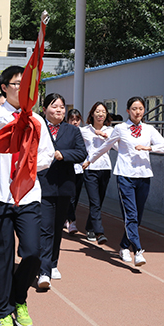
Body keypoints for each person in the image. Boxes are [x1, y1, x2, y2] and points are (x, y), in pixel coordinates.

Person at [0, 66, 54, 326]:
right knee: (3, 254)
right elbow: (1, 132)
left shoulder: (37, 119)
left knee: (33, 252)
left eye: (28, 85)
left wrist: (31, 164)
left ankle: (18, 298)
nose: (23, 89)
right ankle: (1, 312)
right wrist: (23, 122)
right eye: (17, 84)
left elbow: (47, 153)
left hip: (28, 193)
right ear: (4, 88)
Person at [83, 96, 164, 267]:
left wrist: (149, 148)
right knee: (130, 214)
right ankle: (137, 250)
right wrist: (90, 160)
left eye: (141, 109)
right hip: (125, 175)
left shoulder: (149, 129)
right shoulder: (120, 128)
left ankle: (124, 246)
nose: (138, 112)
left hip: (144, 176)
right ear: (128, 111)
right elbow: (105, 146)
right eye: (134, 109)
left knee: (137, 216)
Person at [37, 94, 87, 289]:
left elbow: (82, 153)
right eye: (54, 106)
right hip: (42, 184)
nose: (59, 110)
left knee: (57, 227)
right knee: (45, 227)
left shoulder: (72, 130)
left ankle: (53, 262)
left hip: (64, 186)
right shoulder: (38, 128)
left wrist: (63, 154)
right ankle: (43, 270)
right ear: (44, 109)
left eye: (62, 107)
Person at [80, 102, 115, 245]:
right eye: (98, 111)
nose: (100, 114)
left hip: (105, 168)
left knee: (99, 201)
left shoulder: (111, 130)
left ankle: (89, 227)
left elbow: (117, 145)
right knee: (94, 201)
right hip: (89, 169)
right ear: (92, 114)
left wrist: (105, 136)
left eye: (103, 112)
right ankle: (99, 232)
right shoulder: (84, 130)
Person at [64, 109, 84, 234]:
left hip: (80, 170)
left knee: (75, 197)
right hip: (67, 169)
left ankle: (67, 218)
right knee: (69, 197)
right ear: (68, 120)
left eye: (77, 120)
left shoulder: (83, 132)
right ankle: (72, 221)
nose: (75, 122)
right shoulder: (65, 132)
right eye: (72, 119)